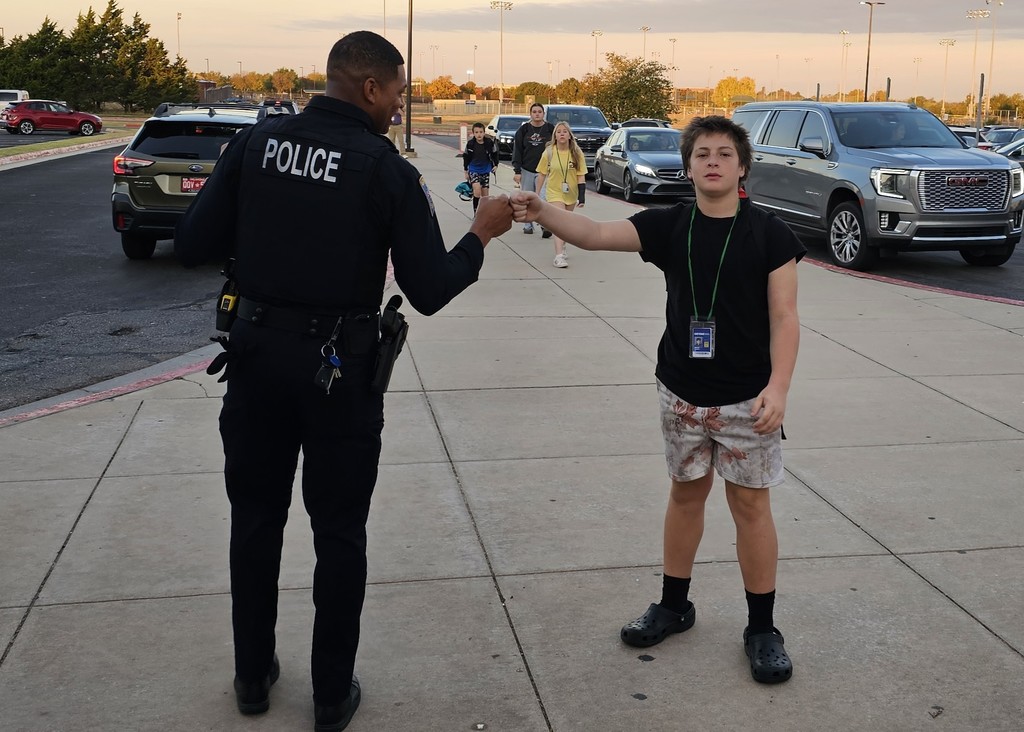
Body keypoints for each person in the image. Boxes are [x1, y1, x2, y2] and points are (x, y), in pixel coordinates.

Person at [174, 31, 512, 731]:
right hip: (339, 373)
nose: (399, 104)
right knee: (340, 533)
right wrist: (480, 233)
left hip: (257, 359)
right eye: (396, 91)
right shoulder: (382, 169)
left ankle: (252, 677)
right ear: (367, 87)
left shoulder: (256, 146)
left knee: (256, 521)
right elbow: (428, 287)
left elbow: (194, 245)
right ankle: (331, 696)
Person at [511, 115, 804, 684]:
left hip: (748, 399)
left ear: (742, 167)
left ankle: (762, 628)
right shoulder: (671, 226)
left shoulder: (769, 235)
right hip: (681, 394)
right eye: (701, 154)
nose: (712, 161)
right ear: (688, 165)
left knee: (751, 509)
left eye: (724, 153)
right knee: (685, 496)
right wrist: (541, 208)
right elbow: (595, 234)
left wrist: (780, 387)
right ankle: (674, 605)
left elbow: (786, 318)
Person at [535, 121, 587, 268]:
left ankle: (562, 246)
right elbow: (541, 174)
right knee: (559, 224)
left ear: (570, 135)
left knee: (566, 225)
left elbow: (580, 175)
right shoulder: (549, 152)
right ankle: (558, 256)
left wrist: (581, 197)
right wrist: (537, 194)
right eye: (559, 132)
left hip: (571, 193)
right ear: (555, 136)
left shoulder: (576, 153)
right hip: (554, 192)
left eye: (565, 131)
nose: (562, 134)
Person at [510, 102, 555, 235]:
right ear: (530, 114)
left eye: (539, 112)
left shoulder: (550, 129)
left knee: (542, 198)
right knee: (527, 199)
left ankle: (545, 225)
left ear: (543, 114)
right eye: (534, 112)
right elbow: (517, 150)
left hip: (545, 170)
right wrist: (517, 170)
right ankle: (528, 225)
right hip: (527, 169)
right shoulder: (524, 130)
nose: (537, 114)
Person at [463, 121, 499, 215]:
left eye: (481, 132)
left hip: (485, 170)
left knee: (485, 195)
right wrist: (466, 171)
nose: (479, 134)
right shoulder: (470, 144)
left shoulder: (489, 143)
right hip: (474, 169)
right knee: (477, 191)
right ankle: (476, 212)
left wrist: (495, 165)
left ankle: (485, 213)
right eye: (476, 132)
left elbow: (495, 154)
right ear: (473, 133)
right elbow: (466, 157)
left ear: (484, 132)